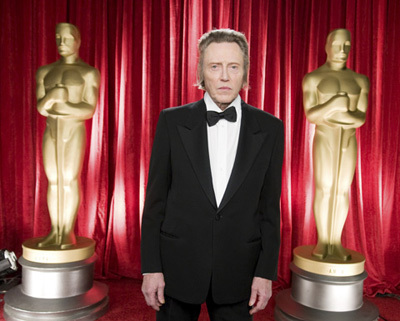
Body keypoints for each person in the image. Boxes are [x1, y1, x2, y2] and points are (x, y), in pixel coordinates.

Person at [141, 29, 284, 320]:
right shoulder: (171, 121)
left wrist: (265, 273)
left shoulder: (271, 128)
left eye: (233, 67)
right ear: (201, 72)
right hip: (177, 268)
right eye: (214, 66)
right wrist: (151, 268)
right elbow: (155, 202)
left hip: (239, 271)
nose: (224, 77)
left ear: (245, 73)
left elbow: (270, 208)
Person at [302, 29, 369, 260]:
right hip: (325, 139)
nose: (343, 50)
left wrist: (332, 113)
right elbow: (311, 114)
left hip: (347, 140)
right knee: (325, 188)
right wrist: (335, 104)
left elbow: (360, 118)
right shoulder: (313, 78)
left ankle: (336, 241)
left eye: (347, 45)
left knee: (341, 190)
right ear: (327, 46)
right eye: (338, 45)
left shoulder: (360, 80)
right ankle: (323, 241)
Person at [36, 23, 100, 249]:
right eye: (58, 38)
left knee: (69, 179)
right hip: (51, 129)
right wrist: (53, 96)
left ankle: (68, 232)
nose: (62, 43)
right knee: (53, 180)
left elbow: (88, 109)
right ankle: (55, 231)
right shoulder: (45, 71)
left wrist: (60, 103)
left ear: (77, 40)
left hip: (73, 130)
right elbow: (41, 108)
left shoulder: (88, 72)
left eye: (67, 38)